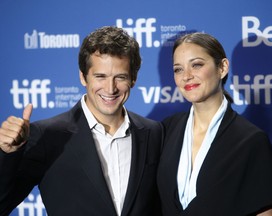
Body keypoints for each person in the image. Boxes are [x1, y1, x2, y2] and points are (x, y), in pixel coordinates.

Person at [0, 26, 163, 216]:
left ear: (133, 79)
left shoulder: (154, 132)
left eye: (120, 77)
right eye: (100, 76)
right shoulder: (47, 136)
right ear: (83, 77)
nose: (110, 89)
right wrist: (8, 153)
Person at [157, 32, 272, 215]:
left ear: (223, 67)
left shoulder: (250, 140)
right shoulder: (166, 130)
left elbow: (266, 210)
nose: (186, 76)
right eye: (178, 69)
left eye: (197, 65)